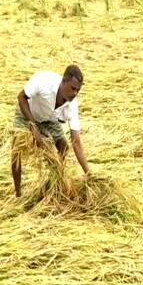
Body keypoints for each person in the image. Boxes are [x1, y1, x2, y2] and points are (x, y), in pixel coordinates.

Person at [11, 64, 90, 197]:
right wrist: (32, 125)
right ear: (63, 82)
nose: (75, 93)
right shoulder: (44, 81)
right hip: (28, 113)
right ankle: (18, 193)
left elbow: (76, 143)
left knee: (63, 147)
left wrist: (89, 173)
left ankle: (54, 181)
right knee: (16, 149)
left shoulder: (72, 105)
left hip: (49, 119)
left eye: (78, 90)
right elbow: (21, 97)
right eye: (73, 88)